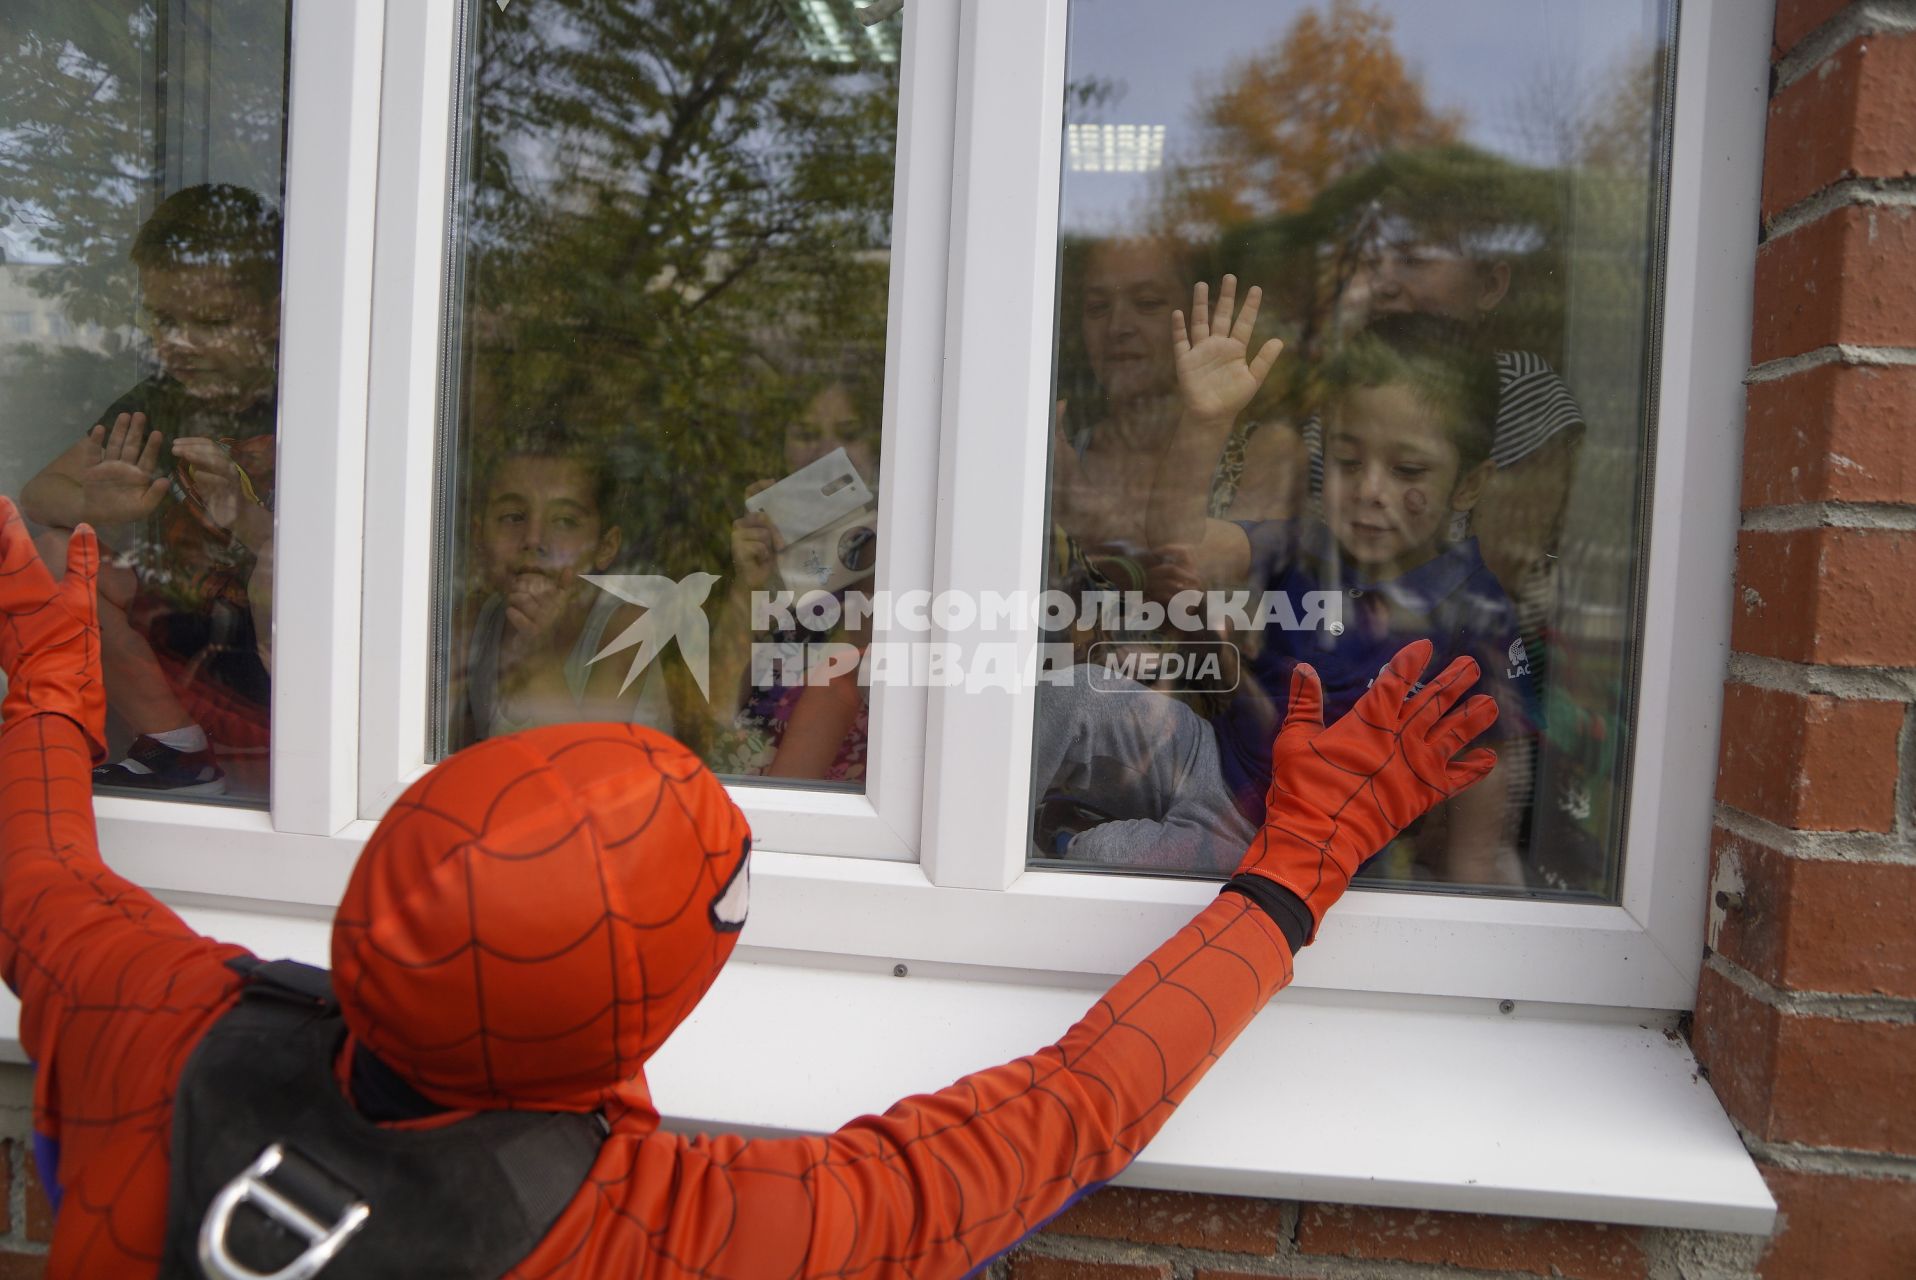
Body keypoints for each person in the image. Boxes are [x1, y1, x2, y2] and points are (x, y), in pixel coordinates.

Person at [0, 495, 1496, 1277]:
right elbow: (1073, 1110)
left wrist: (53, 682)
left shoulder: (154, 1018)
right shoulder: (663, 1234)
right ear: (647, 1007)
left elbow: (42, 868)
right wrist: (1297, 865)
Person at [1033, 285, 1534, 884]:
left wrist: (1467, 894)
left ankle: (1063, 838)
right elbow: (1181, 542)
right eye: (1349, 462)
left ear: (1469, 484)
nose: (1372, 490)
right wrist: (1205, 420)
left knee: (1101, 861)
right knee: (1074, 693)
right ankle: (990, 825)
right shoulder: (1303, 545)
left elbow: (1489, 766)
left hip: (1283, 846)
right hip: (1207, 758)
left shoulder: (1473, 608)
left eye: (1407, 471)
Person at [20, 183, 282, 797]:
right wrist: (91, 504)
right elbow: (38, 494)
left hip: (277, 662)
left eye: (212, 321)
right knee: (56, 552)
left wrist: (249, 521)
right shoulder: (161, 399)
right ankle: (174, 747)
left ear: (274, 313)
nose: (181, 341)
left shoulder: (307, 395)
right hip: (175, 652)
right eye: (165, 319)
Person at [707, 377, 878, 782]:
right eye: (805, 434)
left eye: (849, 435)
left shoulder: (896, 556)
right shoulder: (772, 560)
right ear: (781, 449)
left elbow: (844, 685)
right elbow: (714, 709)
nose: (826, 452)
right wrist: (748, 585)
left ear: (877, 450)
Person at [457, 432, 676, 742]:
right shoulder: (478, 620)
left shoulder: (626, 630)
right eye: (513, 517)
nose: (533, 539)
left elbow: (583, 769)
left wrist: (537, 652)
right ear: (479, 536)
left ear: (605, 547)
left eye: (564, 522)